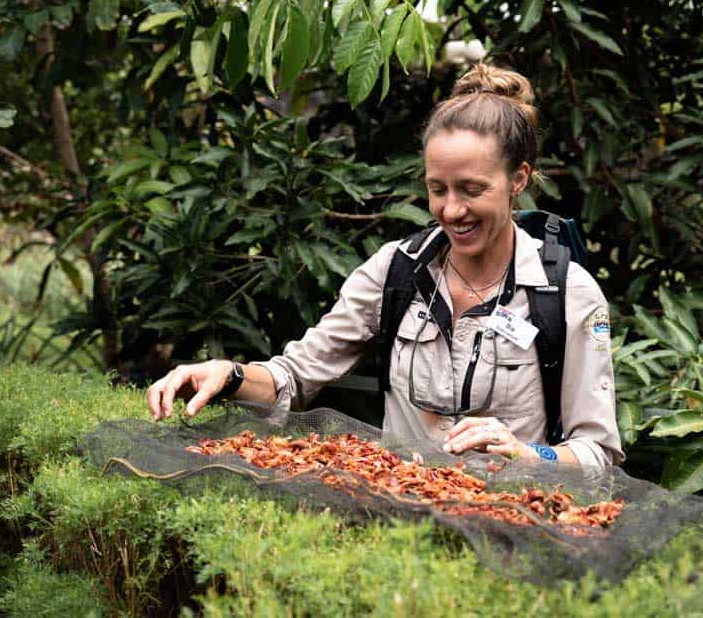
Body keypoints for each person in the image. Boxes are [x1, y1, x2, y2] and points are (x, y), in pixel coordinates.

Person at [146, 64, 624, 469]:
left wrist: (528, 453)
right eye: (438, 189)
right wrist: (228, 374)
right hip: (398, 530)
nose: (452, 210)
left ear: (518, 178)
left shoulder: (565, 293)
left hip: (512, 533)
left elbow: (596, 452)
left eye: (472, 190)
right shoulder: (395, 272)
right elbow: (294, 377)